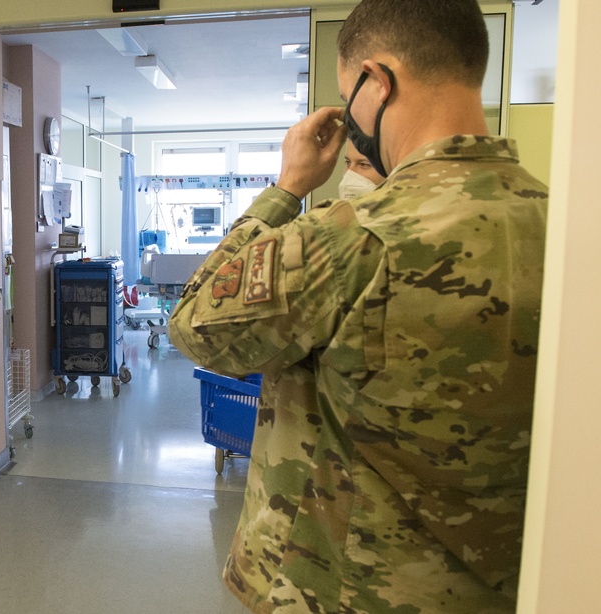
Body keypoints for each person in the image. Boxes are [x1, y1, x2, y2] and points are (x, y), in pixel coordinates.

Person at [168, 1, 549, 612]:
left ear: (377, 82)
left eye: (350, 96)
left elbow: (194, 326)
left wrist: (286, 189)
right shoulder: (562, 221)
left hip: (345, 587)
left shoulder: (346, 238)